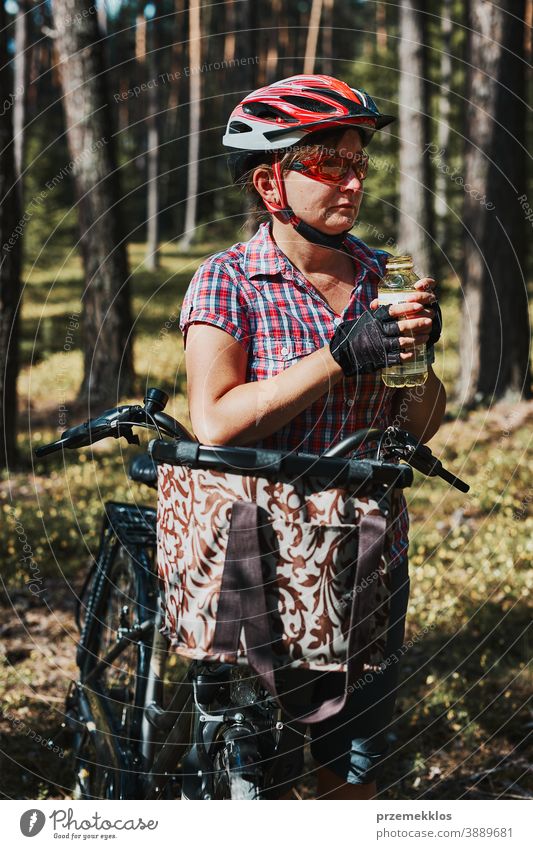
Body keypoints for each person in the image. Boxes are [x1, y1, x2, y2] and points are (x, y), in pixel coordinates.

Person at [179, 75, 445, 799]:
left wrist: (414, 361)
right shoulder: (227, 281)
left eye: (359, 162)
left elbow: (420, 424)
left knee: (353, 765)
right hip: (261, 561)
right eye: (330, 162)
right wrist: (336, 355)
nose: (352, 181)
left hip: (369, 556)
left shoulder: (379, 278)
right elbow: (215, 420)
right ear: (270, 183)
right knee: (255, 775)